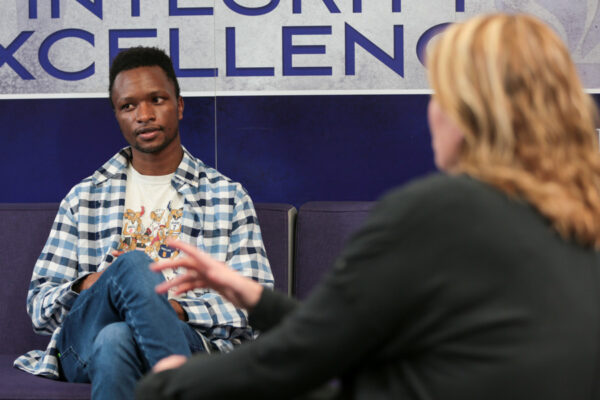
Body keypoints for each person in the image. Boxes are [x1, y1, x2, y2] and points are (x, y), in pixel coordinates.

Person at [136, 13, 600, 400]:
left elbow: (301, 357)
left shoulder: (439, 211)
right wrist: (255, 300)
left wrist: (169, 383)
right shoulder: (580, 220)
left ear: (470, 109)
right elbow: (347, 335)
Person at [14, 47, 274, 400]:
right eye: (128, 106)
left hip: (191, 341)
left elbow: (254, 300)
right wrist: (95, 284)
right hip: (81, 348)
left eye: (156, 99)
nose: (144, 115)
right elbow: (39, 306)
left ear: (179, 106)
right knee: (132, 264)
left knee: (117, 337)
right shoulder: (84, 197)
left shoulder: (227, 197)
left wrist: (167, 311)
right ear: (118, 116)